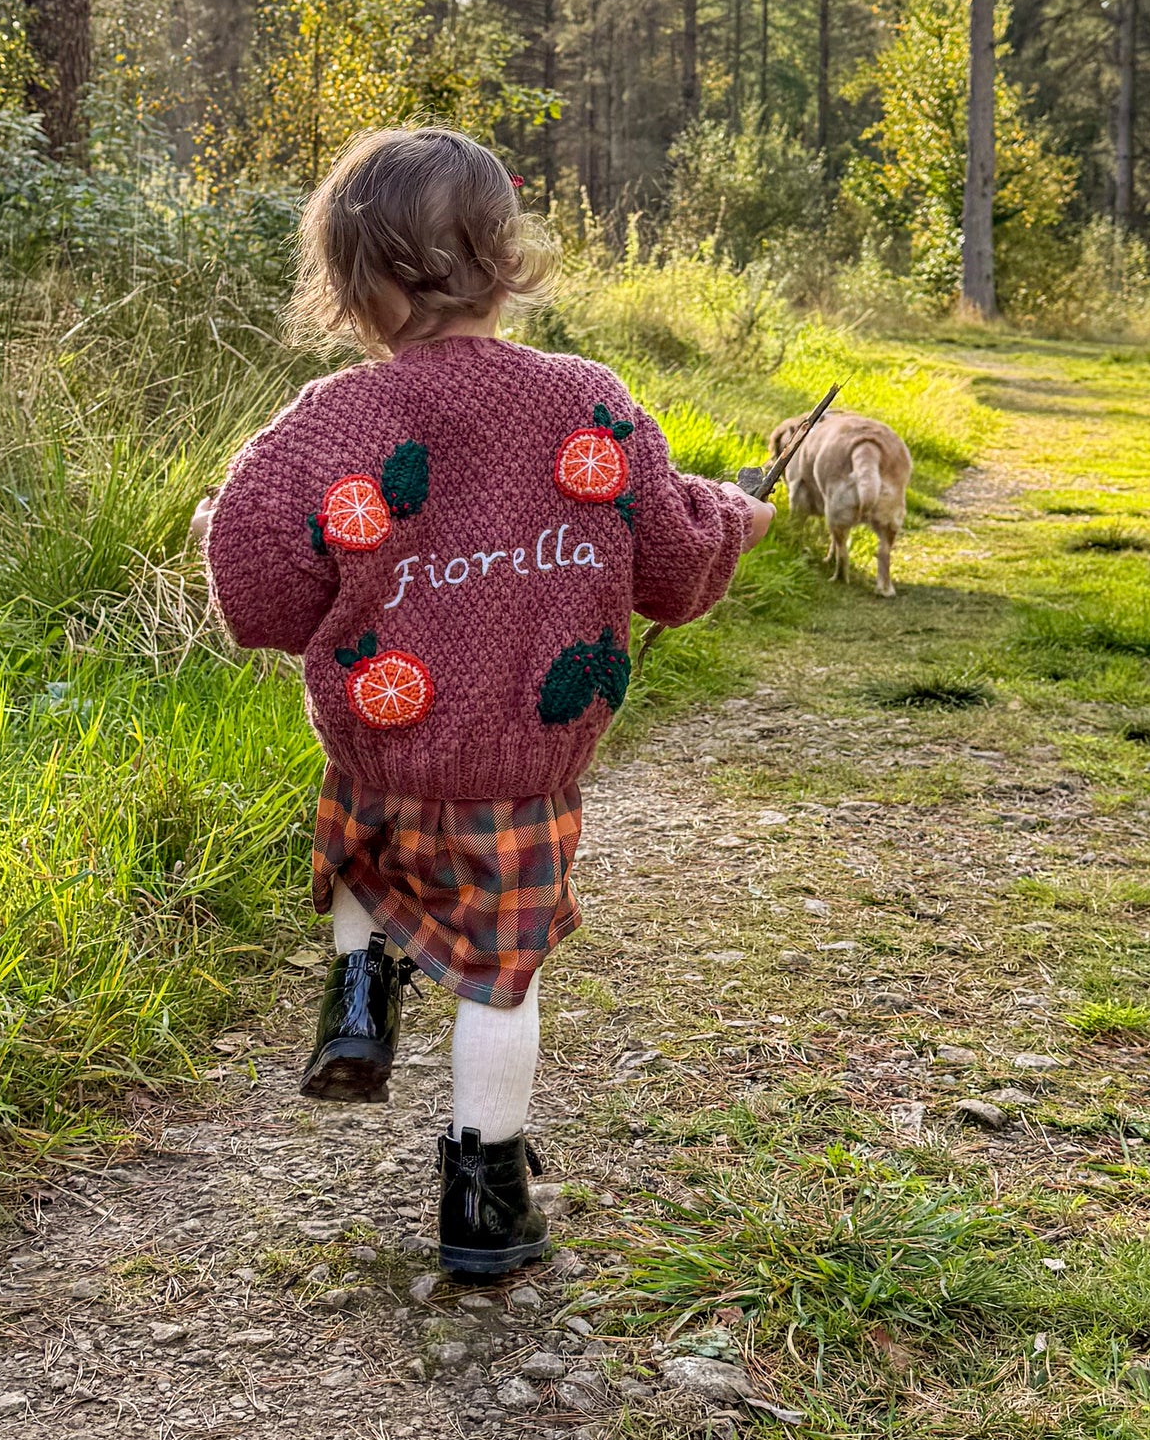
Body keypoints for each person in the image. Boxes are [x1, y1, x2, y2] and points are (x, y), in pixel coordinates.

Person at [194, 128, 771, 1280]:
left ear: (353, 281)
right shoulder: (587, 401)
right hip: (522, 768)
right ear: (507, 257)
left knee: (370, 863)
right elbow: (669, 558)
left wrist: (218, 532)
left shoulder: (327, 421)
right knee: (501, 986)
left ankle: (359, 996)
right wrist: (736, 514)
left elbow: (257, 581)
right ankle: (482, 1199)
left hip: (382, 747)